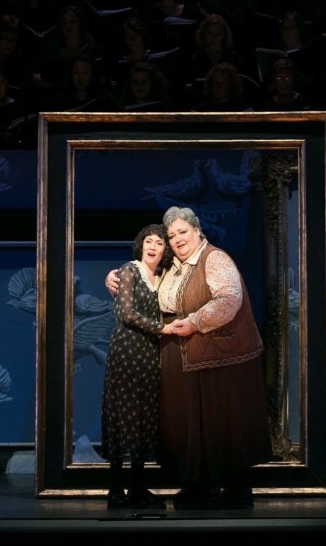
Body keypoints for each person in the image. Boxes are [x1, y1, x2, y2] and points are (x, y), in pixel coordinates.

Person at [105, 206, 272, 508]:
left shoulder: (214, 258)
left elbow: (229, 299)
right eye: (171, 236)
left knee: (220, 420)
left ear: (197, 230)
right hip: (180, 353)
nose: (177, 239)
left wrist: (194, 322)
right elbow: (142, 285)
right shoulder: (172, 266)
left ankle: (234, 489)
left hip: (217, 353)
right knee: (191, 424)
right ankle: (199, 486)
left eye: (182, 232)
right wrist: (114, 278)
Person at [102, 224, 174, 509]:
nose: (153, 246)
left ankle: (138, 488)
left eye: (159, 242)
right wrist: (162, 329)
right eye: (149, 241)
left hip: (149, 354)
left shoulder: (162, 276)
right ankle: (115, 489)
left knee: (143, 418)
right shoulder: (130, 270)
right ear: (141, 245)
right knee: (124, 417)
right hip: (127, 351)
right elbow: (126, 313)